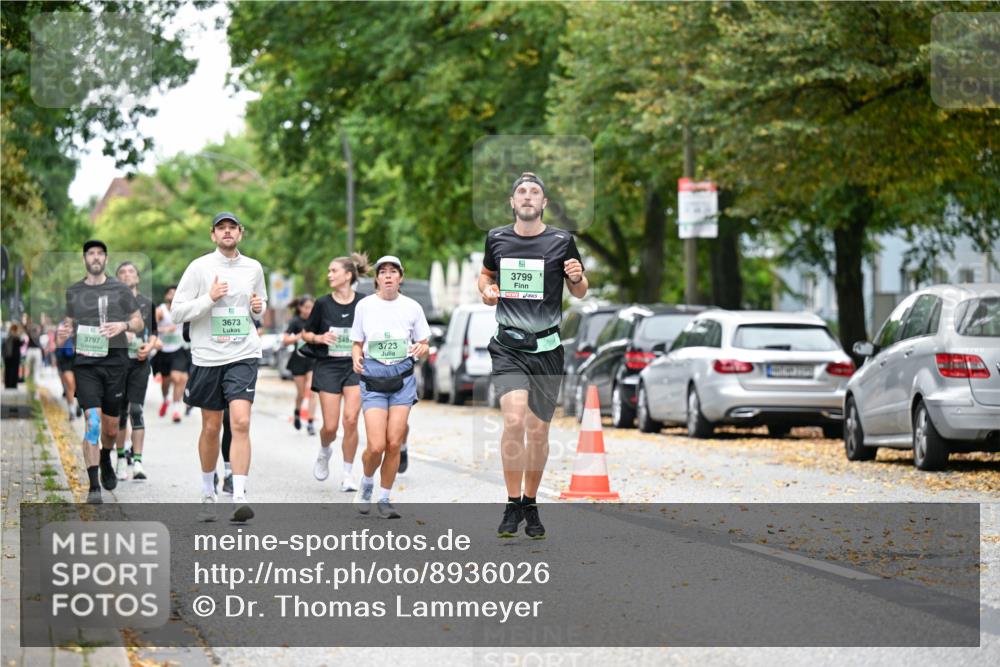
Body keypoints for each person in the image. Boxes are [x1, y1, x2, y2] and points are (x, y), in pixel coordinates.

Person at [479, 172, 588, 539]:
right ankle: (512, 504)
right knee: (513, 421)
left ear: (543, 203)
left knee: (538, 430)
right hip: (509, 346)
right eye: (521, 192)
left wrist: (576, 277)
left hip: (547, 349)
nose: (527, 197)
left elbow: (581, 291)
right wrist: (487, 290)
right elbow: (485, 275)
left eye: (535, 192)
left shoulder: (561, 241)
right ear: (512, 202)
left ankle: (530, 501)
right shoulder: (497, 238)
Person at [171, 212, 266, 523]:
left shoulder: (253, 267)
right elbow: (177, 312)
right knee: (211, 428)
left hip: (243, 353)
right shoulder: (199, 267)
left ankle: (239, 494)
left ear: (241, 233)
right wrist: (209, 299)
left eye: (232, 228)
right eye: (221, 229)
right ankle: (207, 490)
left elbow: (260, 302)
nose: (227, 233)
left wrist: (257, 308)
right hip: (208, 356)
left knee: (240, 422)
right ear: (213, 235)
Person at [56, 239, 144, 504]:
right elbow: (69, 323)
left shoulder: (120, 289)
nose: (95, 257)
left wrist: (123, 326)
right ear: (85, 259)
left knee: (109, 428)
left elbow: (138, 322)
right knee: (92, 422)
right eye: (90, 253)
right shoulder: (74, 292)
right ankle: (94, 487)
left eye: (100, 254)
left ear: (106, 259)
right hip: (85, 365)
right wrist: (63, 331)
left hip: (115, 364)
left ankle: (106, 456)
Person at [350, 256, 429, 518]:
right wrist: (355, 357)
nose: (387, 276)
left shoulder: (412, 307)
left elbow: (424, 343)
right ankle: (367, 481)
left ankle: (384, 498)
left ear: (400, 278)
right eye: (382, 272)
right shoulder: (365, 306)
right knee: (376, 445)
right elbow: (357, 341)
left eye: (393, 272)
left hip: (402, 377)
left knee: (394, 443)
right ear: (376, 278)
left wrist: (422, 348)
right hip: (373, 376)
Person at [301, 254, 369, 492]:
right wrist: (319, 337)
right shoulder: (322, 303)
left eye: (333, 271)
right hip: (328, 366)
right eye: (328, 271)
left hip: (354, 367)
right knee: (330, 427)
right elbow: (306, 334)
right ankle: (324, 449)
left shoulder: (364, 303)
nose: (329, 275)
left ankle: (348, 475)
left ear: (348, 275)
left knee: (350, 420)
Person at [112, 261, 159, 481]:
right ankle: (121, 460)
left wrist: (148, 347)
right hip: (118, 365)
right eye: (122, 272)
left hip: (139, 364)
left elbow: (154, 335)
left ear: (138, 278)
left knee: (136, 409)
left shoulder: (147, 304)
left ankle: (138, 462)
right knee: (120, 412)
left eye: (131, 271)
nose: (127, 275)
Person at [154, 285, 190, 423]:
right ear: (166, 296)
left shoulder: (183, 310)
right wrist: (165, 329)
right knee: (166, 381)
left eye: (176, 293)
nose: (173, 296)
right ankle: (165, 399)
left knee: (178, 377)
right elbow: (152, 328)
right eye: (171, 293)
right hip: (164, 350)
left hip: (179, 349)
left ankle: (176, 409)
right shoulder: (160, 311)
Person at [282, 296, 318, 435]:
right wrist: (298, 337)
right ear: (300, 308)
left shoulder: (316, 320)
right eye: (307, 307)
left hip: (313, 360)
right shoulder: (295, 321)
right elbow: (285, 340)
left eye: (312, 307)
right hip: (298, 360)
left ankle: (310, 423)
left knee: (312, 390)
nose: (309, 310)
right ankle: (297, 413)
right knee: (301, 394)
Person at [54, 328, 79, 418]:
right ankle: (72, 410)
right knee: (70, 384)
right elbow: (58, 344)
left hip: (77, 358)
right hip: (65, 360)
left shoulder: (80, 326)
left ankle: (77, 405)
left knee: (77, 384)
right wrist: (66, 336)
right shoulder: (61, 328)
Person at [3, 323, 24, 389]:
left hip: (8, 356)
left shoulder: (7, 335)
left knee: (8, 371)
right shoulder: (16, 337)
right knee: (13, 371)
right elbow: (21, 343)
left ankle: (8, 384)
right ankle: (12, 385)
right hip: (14, 357)